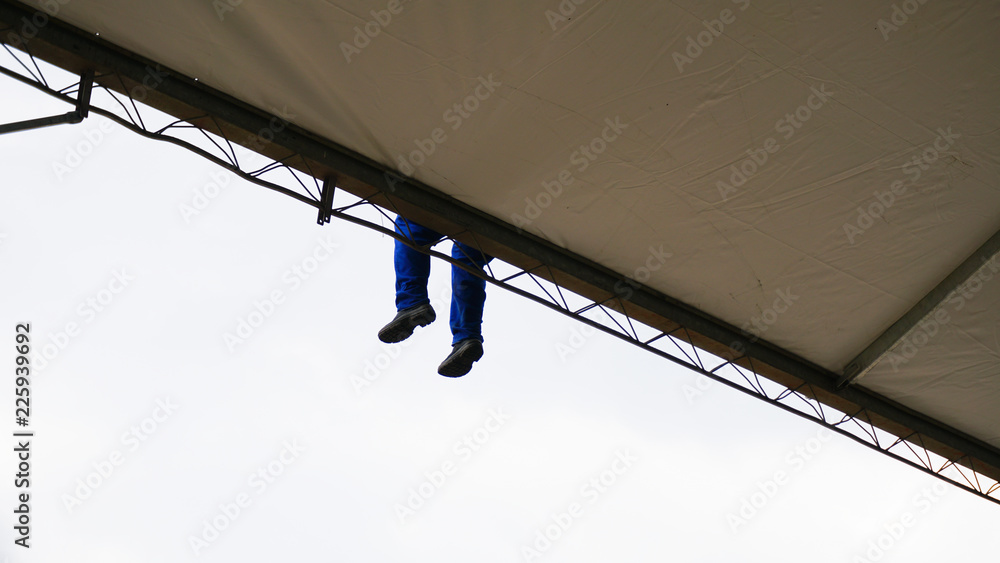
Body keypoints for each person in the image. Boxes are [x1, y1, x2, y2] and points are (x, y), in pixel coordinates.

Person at [378, 215, 493, 377]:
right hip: (508, 215)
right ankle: (467, 336)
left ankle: (412, 301)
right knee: (467, 257)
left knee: (410, 224)